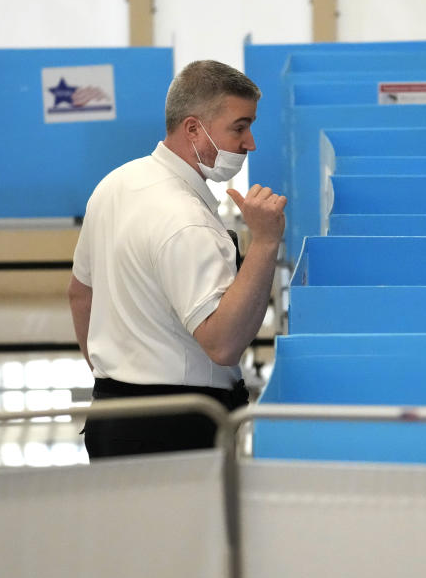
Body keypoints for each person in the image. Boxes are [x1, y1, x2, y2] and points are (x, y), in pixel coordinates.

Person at [67, 60, 286, 458]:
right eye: (240, 126)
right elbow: (223, 345)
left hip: (111, 413)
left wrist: (115, 376)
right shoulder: (188, 222)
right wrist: (266, 242)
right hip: (177, 427)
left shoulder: (115, 184)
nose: (250, 142)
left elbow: (80, 295)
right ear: (192, 128)